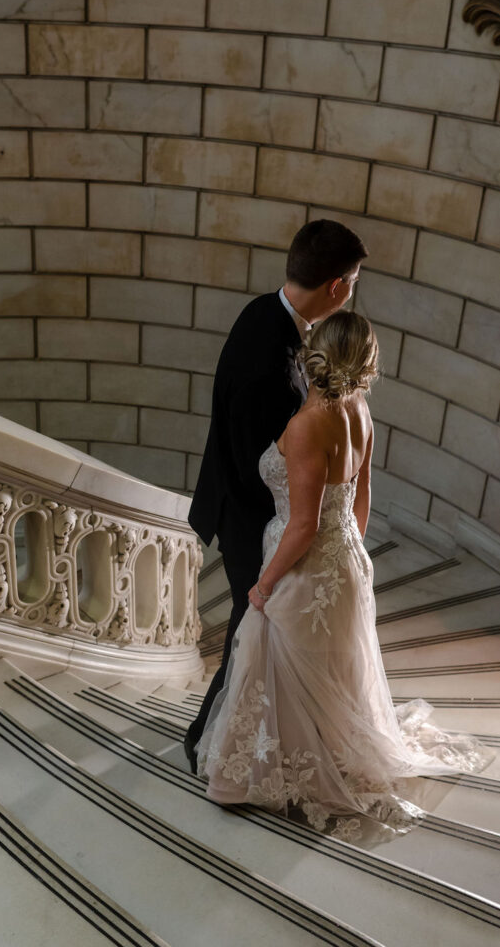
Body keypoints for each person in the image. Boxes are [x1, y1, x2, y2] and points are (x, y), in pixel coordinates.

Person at [195, 311, 493, 838]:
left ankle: (262, 777)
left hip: (305, 569)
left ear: (314, 353)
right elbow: (361, 496)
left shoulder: (306, 425)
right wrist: (351, 552)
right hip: (344, 560)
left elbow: (304, 524)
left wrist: (264, 587)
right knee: (326, 675)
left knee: (282, 665)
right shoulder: (359, 410)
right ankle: (323, 753)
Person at [184, 219, 366, 773]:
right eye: (353, 279)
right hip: (249, 515)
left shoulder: (264, 311)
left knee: (260, 633)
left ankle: (262, 739)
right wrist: (286, 542)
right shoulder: (270, 351)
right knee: (248, 628)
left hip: (274, 514)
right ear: (337, 285)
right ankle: (206, 742)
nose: (352, 289)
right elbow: (253, 460)